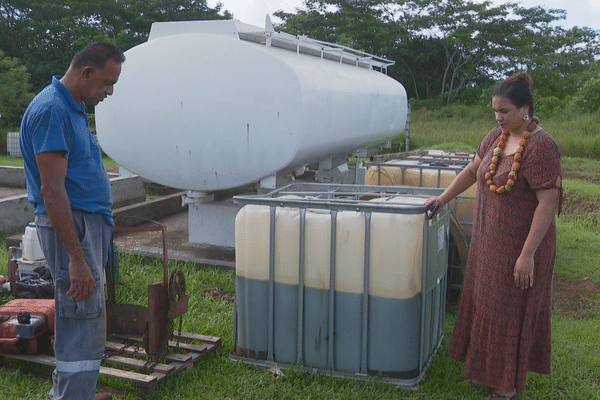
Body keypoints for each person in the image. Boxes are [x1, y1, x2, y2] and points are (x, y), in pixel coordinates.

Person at [425, 72, 562, 400]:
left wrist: (527, 254)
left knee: (507, 311)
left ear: (525, 110)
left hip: (521, 247)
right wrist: (443, 198)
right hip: (489, 241)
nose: (498, 117)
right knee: (484, 304)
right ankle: (481, 370)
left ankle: (505, 386)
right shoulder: (494, 138)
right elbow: (472, 171)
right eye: (495, 111)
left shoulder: (541, 146)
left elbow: (547, 204)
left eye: (504, 111)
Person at [20, 42, 125, 400]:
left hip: (84, 225)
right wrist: (77, 259)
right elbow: (52, 191)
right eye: (107, 82)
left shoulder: (73, 107)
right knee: (81, 318)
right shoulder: (52, 110)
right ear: (86, 72)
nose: (110, 91)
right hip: (73, 229)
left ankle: (71, 393)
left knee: (83, 317)